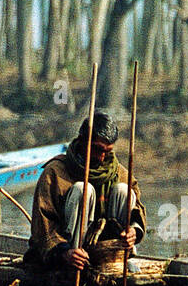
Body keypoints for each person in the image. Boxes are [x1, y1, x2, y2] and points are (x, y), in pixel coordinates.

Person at [26, 113, 145, 272]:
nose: (102, 158)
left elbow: (137, 212)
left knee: (124, 191)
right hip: (67, 255)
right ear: (83, 141)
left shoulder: (120, 174)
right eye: (97, 149)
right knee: (83, 190)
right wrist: (64, 252)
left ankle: (118, 260)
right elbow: (43, 224)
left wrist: (133, 232)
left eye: (107, 151)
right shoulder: (55, 172)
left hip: (106, 254)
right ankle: (76, 260)